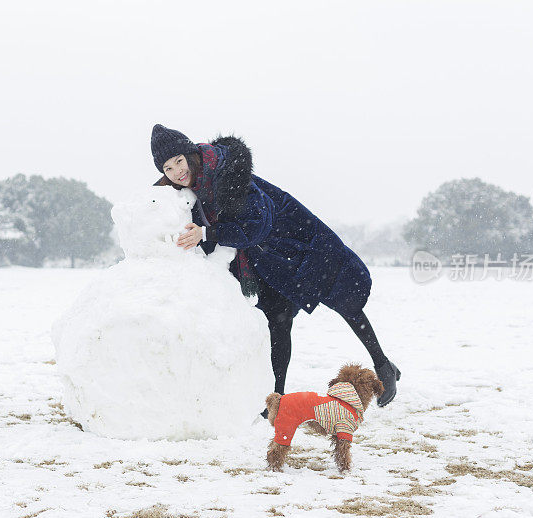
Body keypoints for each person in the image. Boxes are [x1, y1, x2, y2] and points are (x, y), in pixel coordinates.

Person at [150, 124, 401, 408]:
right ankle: (276, 399)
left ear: (190, 154)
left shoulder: (228, 173)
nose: (176, 172)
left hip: (299, 243)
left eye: (178, 162)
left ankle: (383, 366)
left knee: (344, 299)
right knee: (278, 321)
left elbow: (257, 224)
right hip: (266, 260)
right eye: (167, 169)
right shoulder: (195, 188)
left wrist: (208, 234)